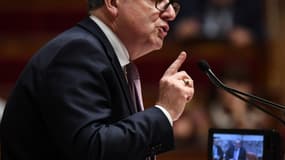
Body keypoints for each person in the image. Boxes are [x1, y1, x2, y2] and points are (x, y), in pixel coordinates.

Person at [0, 0, 195, 160]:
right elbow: (93, 149)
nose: (171, 13)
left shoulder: (104, 55)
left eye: (173, 5)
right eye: (159, 2)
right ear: (112, 3)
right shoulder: (78, 51)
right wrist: (164, 111)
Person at [171, 0, 266, 47]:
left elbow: (263, 35)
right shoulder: (189, 4)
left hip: (238, 71)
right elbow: (170, 29)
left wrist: (250, 37)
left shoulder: (251, 5)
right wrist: (180, 31)